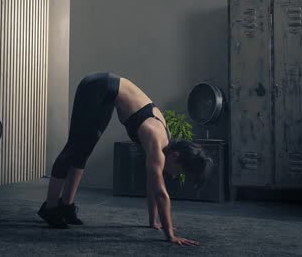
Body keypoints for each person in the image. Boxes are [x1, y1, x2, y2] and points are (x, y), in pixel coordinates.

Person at [37, 72, 214, 246]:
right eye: (180, 172)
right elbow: (160, 193)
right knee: (74, 147)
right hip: (98, 87)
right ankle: (50, 208)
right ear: (176, 156)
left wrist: (153, 221)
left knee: (84, 150)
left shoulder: (164, 144)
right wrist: (170, 235)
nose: (175, 176)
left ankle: (66, 206)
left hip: (108, 94)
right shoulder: (155, 138)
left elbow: (153, 182)